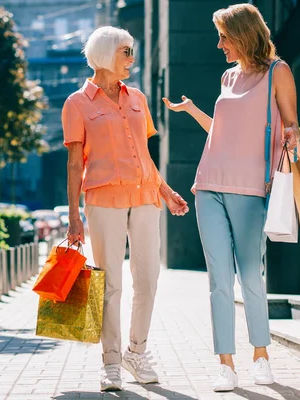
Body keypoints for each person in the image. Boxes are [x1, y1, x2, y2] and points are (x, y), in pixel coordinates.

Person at [163, 3, 300, 393]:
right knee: (218, 281)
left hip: (251, 190)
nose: (219, 43)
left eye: (224, 36)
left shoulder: (278, 72)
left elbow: (292, 129)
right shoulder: (227, 76)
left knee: (251, 278)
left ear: (243, 34)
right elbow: (220, 133)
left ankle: (261, 356)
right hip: (208, 186)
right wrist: (191, 110)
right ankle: (225, 364)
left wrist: (290, 149)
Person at [63, 26, 189, 392]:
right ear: (105, 55)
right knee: (111, 284)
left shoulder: (138, 99)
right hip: (103, 200)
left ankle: (137, 351)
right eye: (126, 52)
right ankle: (112, 362)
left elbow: (143, 153)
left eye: (132, 52)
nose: (132, 59)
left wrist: (165, 190)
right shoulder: (77, 103)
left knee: (148, 278)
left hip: (145, 196)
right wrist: (74, 216)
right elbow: (74, 163)